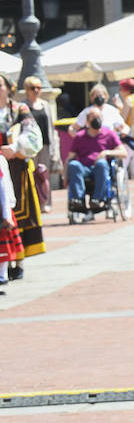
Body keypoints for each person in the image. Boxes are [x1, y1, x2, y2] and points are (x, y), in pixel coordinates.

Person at [0, 76, 44, 281]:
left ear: (8, 88)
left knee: (18, 213)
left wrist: (15, 147)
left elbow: (34, 135)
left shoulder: (20, 109)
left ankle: (18, 261)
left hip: (16, 167)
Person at [66, 112, 125, 222]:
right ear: (87, 122)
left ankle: (98, 199)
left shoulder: (109, 134)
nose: (96, 120)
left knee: (101, 164)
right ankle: (78, 200)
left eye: (98, 118)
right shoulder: (79, 136)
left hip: (100, 169)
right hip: (84, 168)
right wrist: (65, 176)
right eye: (93, 118)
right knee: (73, 165)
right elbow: (70, 157)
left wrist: (106, 152)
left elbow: (123, 153)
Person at [21, 76, 55, 213]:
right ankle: (34, 203)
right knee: (31, 174)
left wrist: (54, 149)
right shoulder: (23, 107)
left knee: (44, 175)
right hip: (30, 146)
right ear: (27, 90)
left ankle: (46, 202)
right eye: (32, 88)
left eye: (38, 88)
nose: (36, 90)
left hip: (45, 144)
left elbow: (51, 127)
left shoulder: (45, 105)